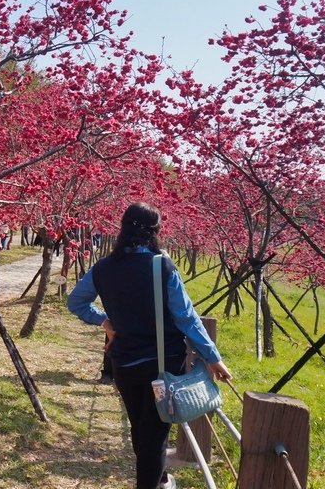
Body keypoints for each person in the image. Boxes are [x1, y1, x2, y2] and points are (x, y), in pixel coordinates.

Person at [68, 202, 232, 489]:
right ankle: (154, 483)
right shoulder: (161, 266)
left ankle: (161, 479)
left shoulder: (103, 267)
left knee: (140, 427)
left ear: (122, 229)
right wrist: (212, 356)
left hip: (125, 365)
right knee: (155, 435)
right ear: (155, 232)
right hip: (162, 365)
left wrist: (105, 322)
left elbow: (76, 302)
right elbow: (186, 318)